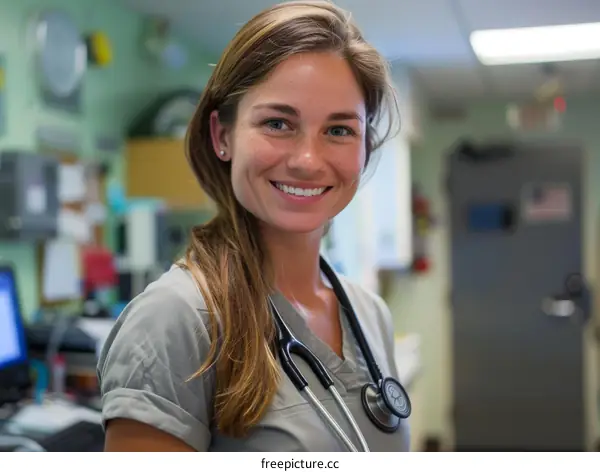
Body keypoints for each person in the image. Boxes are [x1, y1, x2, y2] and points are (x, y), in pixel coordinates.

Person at [98, 0, 409, 452]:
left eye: (339, 130)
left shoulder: (369, 314)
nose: (307, 160)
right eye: (278, 123)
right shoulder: (178, 320)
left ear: (365, 147)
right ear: (222, 136)